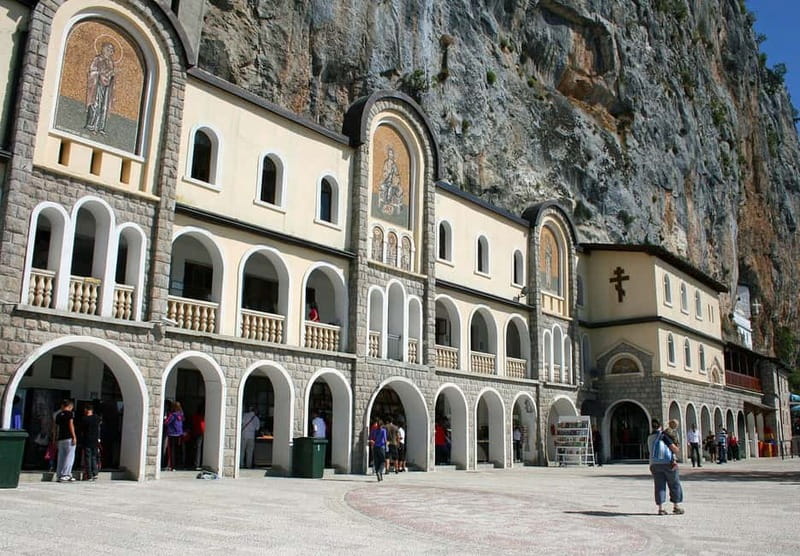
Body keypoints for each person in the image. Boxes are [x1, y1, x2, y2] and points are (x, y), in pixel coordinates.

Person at [647, 418, 684, 515]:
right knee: (674, 484)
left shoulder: (650, 437)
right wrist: (677, 447)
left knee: (659, 486)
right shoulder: (663, 436)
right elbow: (674, 449)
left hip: (654, 464)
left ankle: (661, 508)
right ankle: (676, 506)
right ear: (660, 426)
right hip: (668, 464)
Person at [85, 42, 116, 134]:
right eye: (108, 49)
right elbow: (93, 70)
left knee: (104, 106)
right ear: (103, 49)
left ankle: (100, 127)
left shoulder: (111, 62)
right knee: (96, 104)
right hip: (97, 85)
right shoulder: (97, 59)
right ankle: (92, 125)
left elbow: (111, 73)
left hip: (107, 86)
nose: (109, 52)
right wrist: (101, 75)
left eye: (111, 51)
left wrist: (111, 75)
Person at [53, 399, 77, 482]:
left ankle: (59, 474)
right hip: (68, 437)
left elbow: (55, 428)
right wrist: (74, 436)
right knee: (69, 456)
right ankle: (65, 474)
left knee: (61, 457)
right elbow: (71, 425)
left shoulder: (58, 415)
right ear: (70, 406)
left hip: (60, 438)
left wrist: (54, 439)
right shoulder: (70, 414)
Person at [78, 403, 101, 481]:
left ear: (86, 410)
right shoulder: (97, 418)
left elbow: (81, 429)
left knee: (88, 457)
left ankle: (89, 474)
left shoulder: (85, 419)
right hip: (95, 440)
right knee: (94, 457)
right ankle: (95, 473)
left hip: (87, 440)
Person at [164, 401, 184, 471]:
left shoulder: (172, 415)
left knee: (171, 451)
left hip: (172, 434)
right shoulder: (181, 414)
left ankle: (171, 466)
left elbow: (167, 422)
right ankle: (176, 465)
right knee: (177, 450)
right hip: (179, 434)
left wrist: (165, 419)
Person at [192, 404, 205, 470]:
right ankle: (199, 464)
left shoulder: (195, 416)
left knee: (197, 448)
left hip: (198, 432)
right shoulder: (204, 416)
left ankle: (197, 464)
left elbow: (193, 424)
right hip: (202, 432)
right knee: (200, 448)